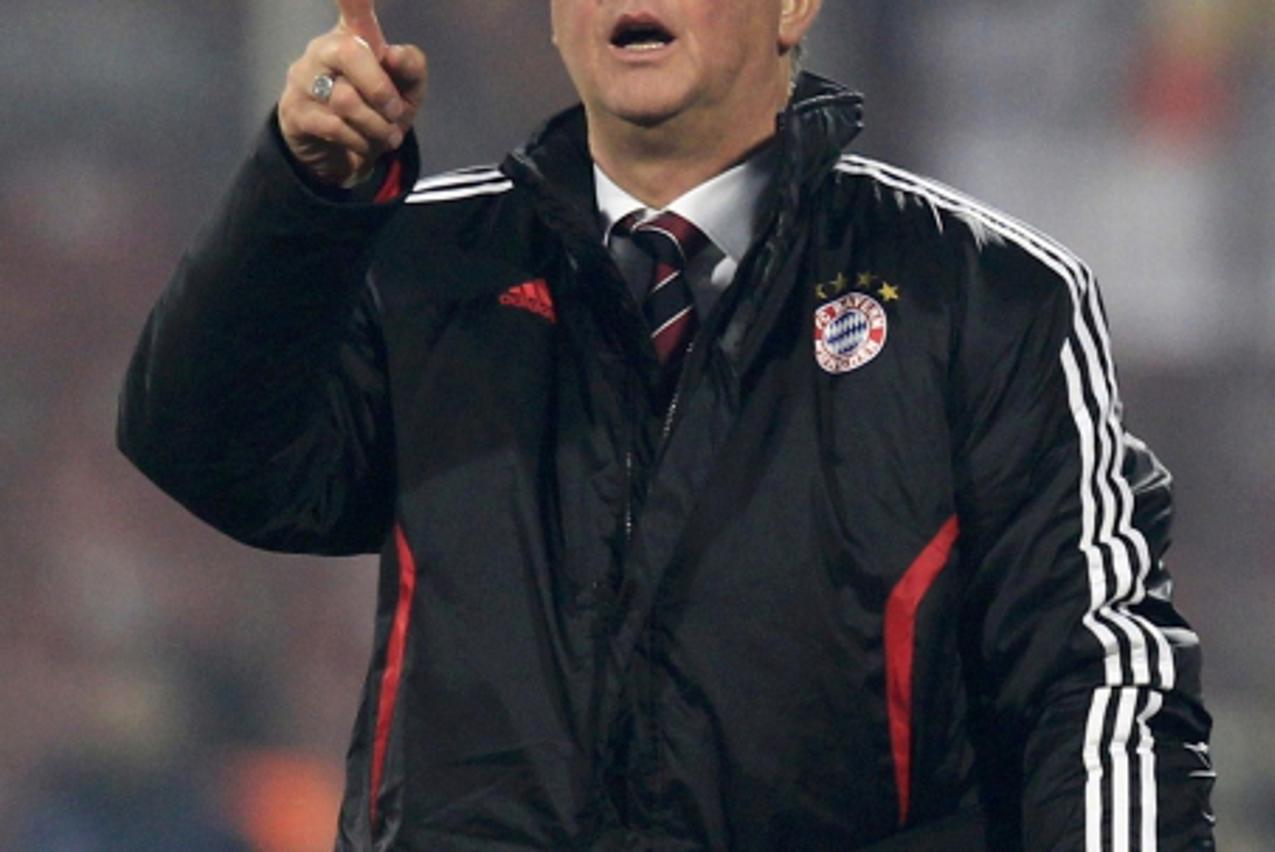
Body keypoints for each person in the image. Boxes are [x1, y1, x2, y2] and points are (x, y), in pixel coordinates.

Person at [117, 0, 1215, 848]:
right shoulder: (418, 268)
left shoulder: (983, 299)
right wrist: (302, 199)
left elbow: (1101, 681)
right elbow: (210, 454)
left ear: (792, 5)